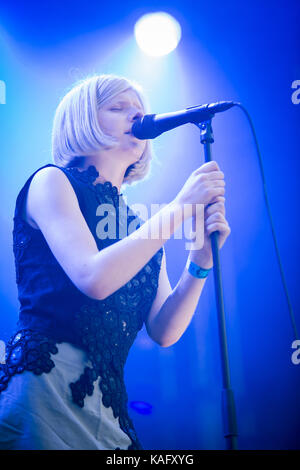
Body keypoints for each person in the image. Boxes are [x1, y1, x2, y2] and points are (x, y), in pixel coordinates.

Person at [0, 74, 230, 450]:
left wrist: (199, 261)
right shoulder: (51, 182)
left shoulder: (139, 227)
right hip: (45, 394)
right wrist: (179, 208)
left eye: (138, 110)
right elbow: (93, 277)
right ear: (83, 121)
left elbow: (164, 329)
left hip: (108, 411)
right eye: (118, 108)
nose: (135, 117)